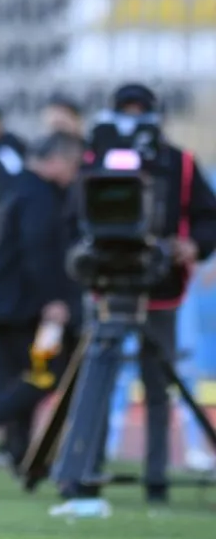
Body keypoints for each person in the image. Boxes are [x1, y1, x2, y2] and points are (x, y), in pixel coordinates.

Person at [50, 83, 216, 512]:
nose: (133, 117)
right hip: (104, 283)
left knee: (159, 386)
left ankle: (156, 477)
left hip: (160, 285)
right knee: (97, 379)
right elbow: (72, 221)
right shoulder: (93, 161)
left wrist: (192, 247)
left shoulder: (180, 164)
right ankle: (87, 470)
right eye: (126, 109)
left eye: (140, 110)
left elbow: (207, 220)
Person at [0, 132, 85, 470]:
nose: (75, 174)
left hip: (2, 304)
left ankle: (21, 454)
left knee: (20, 377)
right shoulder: (40, 196)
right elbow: (38, 253)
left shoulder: (16, 187)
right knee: (46, 375)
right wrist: (54, 299)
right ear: (57, 161)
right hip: (27, 308)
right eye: (73, 165)